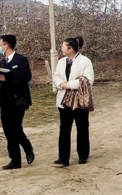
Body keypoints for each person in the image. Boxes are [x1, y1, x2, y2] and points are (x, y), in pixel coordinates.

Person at [53, 36, 94, 167]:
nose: (61, 48)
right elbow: (56, 76)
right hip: (64, 100)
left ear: (70, 49)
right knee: (64, 129)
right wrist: (61, 84)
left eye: (63, 46)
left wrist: (69, 85)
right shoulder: (62, 61)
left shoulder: (85, 61)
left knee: (82, 128)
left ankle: (83, 155)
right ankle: (63, 158)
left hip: (79, 100)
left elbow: (88, 80)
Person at [0, 34, 34, 170]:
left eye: (1, 44)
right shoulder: (2, 62)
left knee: (15, 128)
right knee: (7, 130)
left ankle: (27, 147)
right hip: (6, 100)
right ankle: (15, 160)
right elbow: (1, 78)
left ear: (7, 45)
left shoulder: (21, 59)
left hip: (19, 100)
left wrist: (9, 77)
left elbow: (26, 76)